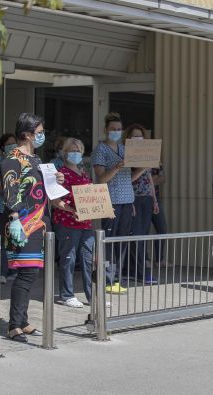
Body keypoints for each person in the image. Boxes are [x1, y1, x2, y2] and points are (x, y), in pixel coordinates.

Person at [1, 113, 75, 342]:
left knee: (31, 274)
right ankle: (14, 325)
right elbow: (9, 191)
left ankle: (22, 321)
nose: (42, 135)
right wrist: (14, 219)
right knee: (26, 274)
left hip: (39, 224)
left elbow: (50, 196)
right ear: (27, 134)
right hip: (21, 224)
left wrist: (71, 206)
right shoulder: (12, 158)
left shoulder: (37, 160)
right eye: (39, 132)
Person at [91, 112, 147, 294]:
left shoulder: (124, 148)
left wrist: (144, 168)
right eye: (113, 129)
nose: (116, 132)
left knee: (121, 242)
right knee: (108, 240)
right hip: (110, 200)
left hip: (126, 199)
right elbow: (101, 178)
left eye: (119, 129)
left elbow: (128, 179)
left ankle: (117, 279)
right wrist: (116, 167)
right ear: (106, 129)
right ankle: (106, 278)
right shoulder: (100, 150)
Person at [53, 138, 94, 307]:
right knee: (68, 258)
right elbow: (55, 200)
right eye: (72, 150)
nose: (75, 153)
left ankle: (92, 296)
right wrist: (72, 211)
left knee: (88, 259)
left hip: (86, 223)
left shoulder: (84, 173)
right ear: (64, 153)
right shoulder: (60, 174)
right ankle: (67, 294)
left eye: (78, 150)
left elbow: (92, 196)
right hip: (67, 222)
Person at [124, 124, 159, 284]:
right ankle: (139, 271)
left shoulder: (146, 155)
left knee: (143, 236)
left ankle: (136, 269)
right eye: (134, 136)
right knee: (136, 236)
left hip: (146, 198)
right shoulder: (126, 156)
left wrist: (154, 199)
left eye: (140, 136)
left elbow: (150, 179)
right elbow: (127, 180)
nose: (138, 139)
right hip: (133, 198)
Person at [0, 133, 18, 284]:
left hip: (18, 207)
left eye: (14, 143)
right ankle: (2, 271)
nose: (12, 146)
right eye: (9, 144)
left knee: (15, 240)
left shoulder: (20, 161)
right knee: (4, 240)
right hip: (4, 207)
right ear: (3, 146)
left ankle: (13, 270)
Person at [151, 162, 169, 266]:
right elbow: (140, 180)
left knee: (162, 228)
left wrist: (152, 179)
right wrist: (154, 178)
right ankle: (145, 260)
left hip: (156, 199)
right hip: (140, 197)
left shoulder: (158, 162)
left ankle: (159, 260)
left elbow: (163, 179)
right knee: (143, 231)